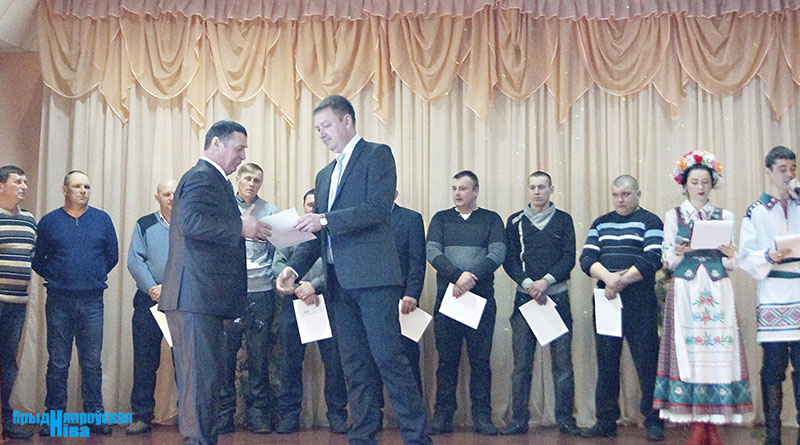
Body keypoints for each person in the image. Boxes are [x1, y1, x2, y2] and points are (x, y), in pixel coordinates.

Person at [275, 95, 431, 445]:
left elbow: (377, 209)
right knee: (355, 365)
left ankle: (417, 437)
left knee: (390, 360)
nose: (321, 133)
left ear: (347, 121)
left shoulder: (377, 155)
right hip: (338, 284)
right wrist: (293, 269)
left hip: (374, 280)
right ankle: (362, 437)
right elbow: (318, 233)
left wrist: (324, 219)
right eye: (317, 128)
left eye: (326, 125)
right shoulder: (325, 175)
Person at [159, 120, 271, 445]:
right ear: (216, 144)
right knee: (200, 380)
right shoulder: (201, 176)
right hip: (194, 296)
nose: (243, 156)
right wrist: (240, 227)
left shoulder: (213, 179)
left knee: (206, 379)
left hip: (202, 297)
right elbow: (191, 223)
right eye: (239, 148)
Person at [654, 151, 752, 444]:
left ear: (713, 184)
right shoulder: (674, 216)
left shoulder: (725, 216)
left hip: (716, 286)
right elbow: (667, 259)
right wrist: (678, 252)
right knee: (690, 349)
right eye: (694, 182)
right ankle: (696, 421)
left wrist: (730, 254)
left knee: (718, 349)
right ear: (684, 184)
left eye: (705, 182)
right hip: (686, 288)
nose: (700, 187)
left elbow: (732, 262)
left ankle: (714, 421)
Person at [578, 174, 665, 441]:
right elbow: (587, 258)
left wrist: (621, 281)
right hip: (606, 298)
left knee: (647, 361)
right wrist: (608, 279)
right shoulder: (601, 223)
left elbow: (653, 258)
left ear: (638, 194)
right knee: (606, 361)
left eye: (625, 194)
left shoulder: (651, 221)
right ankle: (605, 420)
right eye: (615, 195)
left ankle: (653, 421)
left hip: (639, 298)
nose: (620, 200)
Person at [32, 170, 118, 436]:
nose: (83, 191)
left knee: (92, 363)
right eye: (78, 186)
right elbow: (38, 260)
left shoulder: (102, 220)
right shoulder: (50, 222)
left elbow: (112, 256)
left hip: (92, 301)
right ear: (65, 190)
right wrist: (59, 277)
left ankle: (95, 416)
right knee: (58, 363)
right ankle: (54, 419)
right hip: (59, 301)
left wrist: (92, 276)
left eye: (87, 187)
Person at [500, 171, 580, 436]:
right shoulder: (515, 221)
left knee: (562, 365)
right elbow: (509, 260)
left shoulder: (564, 220)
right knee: (522, 365)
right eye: (532, 187)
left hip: (557, 298)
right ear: (528, 190)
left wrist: (546, 282)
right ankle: (518, 420)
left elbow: (569, 258)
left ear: (551, 189)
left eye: (542, 187)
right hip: (525, 300)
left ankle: (565, 419)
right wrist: (528, 285)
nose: (537, 192)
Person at [426, 170, 506, 436]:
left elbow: (498, 253)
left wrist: (471, 277)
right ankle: (443, 415)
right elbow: (432, 251)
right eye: (454, 188)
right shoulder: (441, 219)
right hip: (448, 300)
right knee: (446, 361)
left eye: (463, 188)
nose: (457, 193)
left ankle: (482, 416)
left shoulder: (491, 219)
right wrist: (457, 276)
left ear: (475, 191)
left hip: (480, 301)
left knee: (480, 362)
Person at [272, 189, 348, 435]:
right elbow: (277, 265)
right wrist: (297, 288)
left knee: (334, 363)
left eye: (317, 205)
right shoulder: (291, 233)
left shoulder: (333, 233)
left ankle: (337, 415)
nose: (312, 209)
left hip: (326, 301)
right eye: (309, 204)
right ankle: (289, 416)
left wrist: (313, 286)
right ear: (303, 207)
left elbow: (339, 268)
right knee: (290, 362)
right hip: (293, 303)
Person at [739, 145, 800, 445]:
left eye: (793, 169)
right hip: (774, 292)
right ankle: (773, 433)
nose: (788, 175)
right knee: (773, 368)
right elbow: (745, 254)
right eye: (782, 169)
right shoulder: (756, 210)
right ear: (768, 172)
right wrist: (768, 255)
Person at [217, 162, 279, 434]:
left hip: (261, 290)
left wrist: (276, 276)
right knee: (225, 356)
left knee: (258, 355)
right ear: (238, 180)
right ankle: (224, 414)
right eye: (248, 179)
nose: (252, 184)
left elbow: (278, 250)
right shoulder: (224, 207)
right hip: (229, 290)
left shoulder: (270, 211)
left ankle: (258, 413)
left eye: (257, 180)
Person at [125, 178, 178, 435]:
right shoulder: (144, 224)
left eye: (175, 193)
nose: (171, 198)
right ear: (157, 197)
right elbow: (135, 261)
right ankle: (142, 416)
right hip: (149, 301)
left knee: (185, 362)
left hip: (181, 301)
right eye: (166, 194)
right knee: (145, 362)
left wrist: (169, 289)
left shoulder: (189, 224)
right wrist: (153, 288)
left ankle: (189, 415)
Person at [0, 166, 36, 440]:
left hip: (18, 303)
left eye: (25, 182)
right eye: (18, 182)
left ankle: (6, 420)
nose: (24, 186)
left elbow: (33, 257)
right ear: (1, 186)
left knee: (8, 361)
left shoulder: (29, 220)